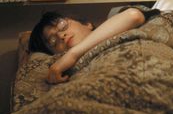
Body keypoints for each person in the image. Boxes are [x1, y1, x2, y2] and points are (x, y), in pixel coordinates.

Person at [29, 7, 160, 85]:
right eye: (53, 42)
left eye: (62, 26)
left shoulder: (116, 18)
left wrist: (72, 54)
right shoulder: (66, 68)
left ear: (87, 24)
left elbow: (133, 16)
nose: (60, 36)